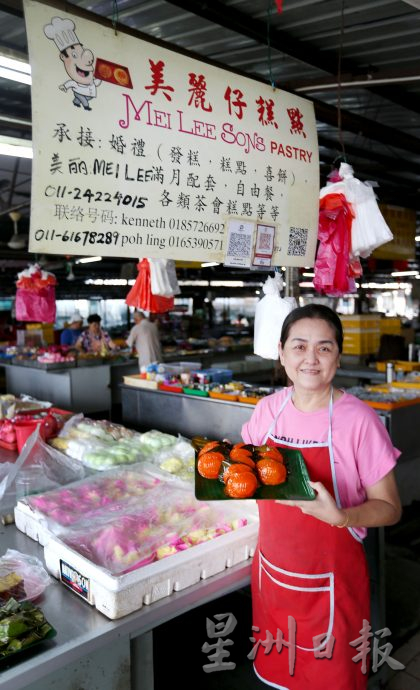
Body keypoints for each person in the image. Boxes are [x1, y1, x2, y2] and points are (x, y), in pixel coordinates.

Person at [241, 304, 401, 690]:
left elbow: (391, 508)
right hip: (272, 577)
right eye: (299, 346)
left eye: (324, 348)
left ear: (338, 356)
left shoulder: (359, 420)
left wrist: (342, 516)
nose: (310, 359)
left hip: (332, 587)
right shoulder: (267, 411)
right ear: (281, 352)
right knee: (279, 677)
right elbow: (246, 470)